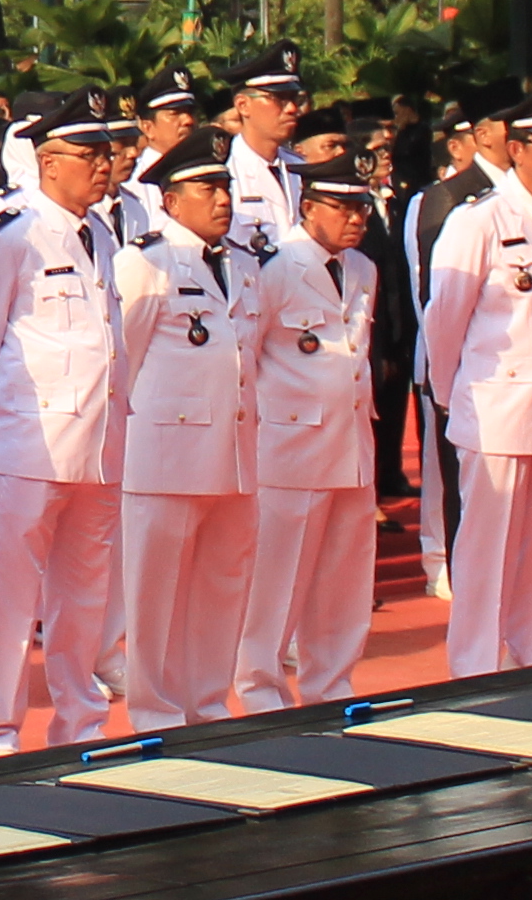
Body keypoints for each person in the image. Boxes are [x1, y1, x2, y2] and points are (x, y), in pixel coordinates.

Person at [0, 105, 148, 752]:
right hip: (27, 444)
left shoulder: (103, 235)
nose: (103, 169)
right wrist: (0, 428)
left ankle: (80, 726)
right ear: (50, 163)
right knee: (7, 602)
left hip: (97, 445)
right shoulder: (9, 232)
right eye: (89, 158)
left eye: (105, 156)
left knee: (84, 599)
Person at [421, 101, 532, 676]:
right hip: (493, 406)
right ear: (515, 150)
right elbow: (443, 322)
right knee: (485, 551)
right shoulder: (477, 221)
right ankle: (474, 667)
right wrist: (456, 396)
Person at [112, 138, 259, 726]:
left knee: (222, 587)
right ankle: (154, 712)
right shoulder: (144, 261)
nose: (222, 200)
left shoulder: (243, 262)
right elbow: (124, 359)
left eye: (225, 187)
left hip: (232, 452)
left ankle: (207, 704)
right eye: (207, 189)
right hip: (165, 451)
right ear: (171, 201)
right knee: (154, 596)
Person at [233, 169, 382, 710]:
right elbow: (245, 355)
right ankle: (260, 691)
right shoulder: (272, 267)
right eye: (342, 208)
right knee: (277, 583)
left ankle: (332, 687)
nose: (355, 219)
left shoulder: (362, 268)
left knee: (344, 580)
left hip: (351, 442)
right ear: (309, 207)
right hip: (290, 447)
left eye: (361, 208)